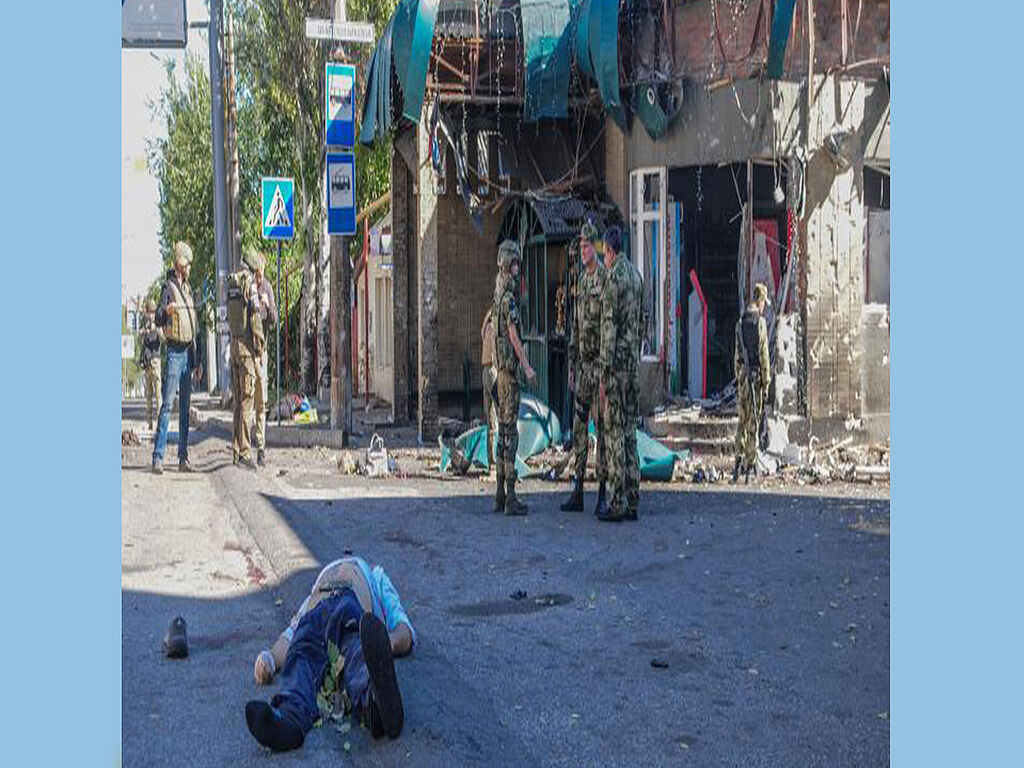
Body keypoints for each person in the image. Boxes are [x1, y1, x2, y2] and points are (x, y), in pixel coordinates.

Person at [246, 554, 414, 751]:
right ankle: (288, 723)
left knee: (355, 650)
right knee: (301, 655)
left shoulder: (377, 576)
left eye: (348, 561)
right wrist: (271, 659)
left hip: (351, 610)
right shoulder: (312, 596)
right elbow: (290, 636)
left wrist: (386, 644)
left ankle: (375, 703)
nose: (343, 561)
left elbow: (405, 631)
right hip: (315, 618)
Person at [561, 219, 608, 515]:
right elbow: (576, 326)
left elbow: (607, 328)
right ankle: (577, 488)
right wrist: (571, 367)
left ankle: (602, 492)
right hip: (582, 366)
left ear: (597, 248)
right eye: (580, 244)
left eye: (587, 244)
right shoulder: (581, 279)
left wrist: (604, 373)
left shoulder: (604, 280)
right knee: (579, 429)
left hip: (598, 366)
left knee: (601, 430)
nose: (582, 249)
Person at [597, 226, 643, 522]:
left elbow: (608, 329)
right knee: (630, 432)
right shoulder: (637, 277)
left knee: (613, 433)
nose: (604, 260)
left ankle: (615, 502)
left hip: (614, 367)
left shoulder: (613, 279)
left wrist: (603, 372)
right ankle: (633, 497)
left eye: (604, 254)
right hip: (633, 366)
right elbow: (643, 319)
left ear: (610, 252)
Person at [492, 240, 538, 516]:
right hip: (509, 375)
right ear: (509, 264)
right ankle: (510, 497)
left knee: (501, 434)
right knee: (511, 434)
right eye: (516, 264)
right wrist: (528, 366)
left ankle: (499, 494)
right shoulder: (508, 299)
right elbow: (512, 335)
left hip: (500, 374)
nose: (519, 269)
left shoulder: (497, 295)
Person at [152, 242, 198, 474]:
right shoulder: (168, 289)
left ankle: (183, 458)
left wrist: (197, 361)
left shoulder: (189, 290)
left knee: (185, 408)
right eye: (187, 264)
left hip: (188, 355)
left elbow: (193, 328)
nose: (189, 267)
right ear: (180, 264)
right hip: (173, 354)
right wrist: (166, 311)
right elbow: (158, 318)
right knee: (167, 405)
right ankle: (158, 457)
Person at [229, 247, 266, 470]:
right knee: (247, 401)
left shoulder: (232, 281)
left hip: (233, 346)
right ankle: (244, 452)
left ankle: (235, 449)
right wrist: (259, 347)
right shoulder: (248, 284)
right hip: (246, 350)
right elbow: (255, 318)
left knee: (237, 401)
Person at [733, 282, 772, 483]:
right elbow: (764, 354)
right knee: (753, 422)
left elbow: (736, 355)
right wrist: (767, 382)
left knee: (742, 418)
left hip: (742, 377)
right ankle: (751, 462)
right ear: (760, 300)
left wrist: (738, 376)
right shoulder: (760, 323)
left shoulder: (740, 322)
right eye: (764, 301)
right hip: (756, 377)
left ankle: (737, 461)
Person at [252, 258, 278, 467]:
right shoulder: (246, 288)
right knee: (246, 401)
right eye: (256, 274)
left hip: (262, 353)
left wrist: (268, 307)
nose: (258, 278)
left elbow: (275, 319)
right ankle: (242, 447)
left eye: (260, 274)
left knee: (261, 401)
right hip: (246, 353)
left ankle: (261, 447)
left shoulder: (267, 288)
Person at [138, 298, 163, 430]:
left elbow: (164, 339)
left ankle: (160, 422)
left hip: (156, 361)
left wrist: (157, 329)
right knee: (148, 395)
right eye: (149, 312)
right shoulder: (145, 323)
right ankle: (149, 422)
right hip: (147, 362)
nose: (151, 315)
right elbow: (140, 340)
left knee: (158, 394)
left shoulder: (158, 323)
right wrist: (143, 332)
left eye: (152, 312)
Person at [480, 306, 498, 470]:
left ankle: (490, 457)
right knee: (499, 413)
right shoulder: (493, 328)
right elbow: (496, 351)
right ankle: (499, 458)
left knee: (489, 416)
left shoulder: (485, 328)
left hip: (484, 370)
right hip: (492, 370)